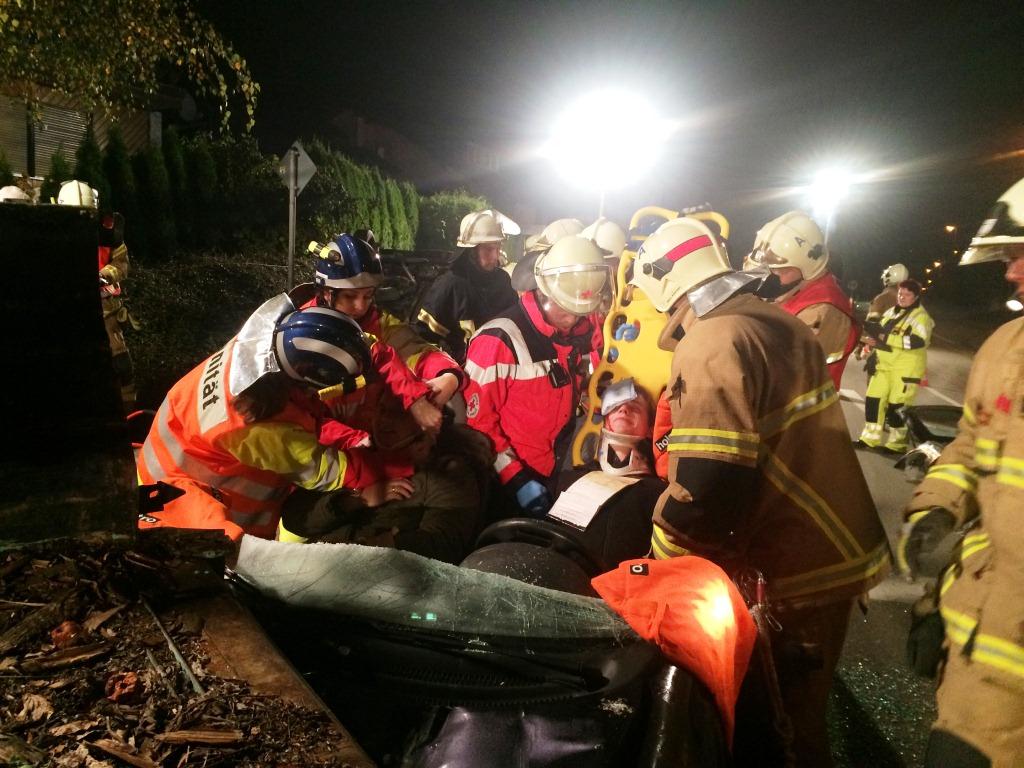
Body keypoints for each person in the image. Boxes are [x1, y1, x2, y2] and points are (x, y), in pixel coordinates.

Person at [629, 216, 889, 767]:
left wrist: (657, 563)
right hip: (831, 543)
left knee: (778, 734)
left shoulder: (713, 341)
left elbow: (706, 486)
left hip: (793, 566)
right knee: (801, 718)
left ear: (662, 280)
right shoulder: (774, 320)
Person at [899, 176, 1024, 767]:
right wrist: (935, 508)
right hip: (980, 662)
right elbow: (974, 444)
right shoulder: (1006, 347)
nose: (1011, 272)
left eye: (1022, 255)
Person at [136, 299, 381, 543]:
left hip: (159, 475)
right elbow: (329, 471)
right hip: (189, 511)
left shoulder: (254, 347)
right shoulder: (260, 426)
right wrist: (387, 468)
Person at [464, 235, 609, 518]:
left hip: (555, 469)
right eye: (566, 310)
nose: (573, 320)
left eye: (580, 313)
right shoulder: (498, 340)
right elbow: (478, 425)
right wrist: (515, 477)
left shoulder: (573, 333)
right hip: (505, 483)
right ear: (544, 292)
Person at [299, 232, 460, 446]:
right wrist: (358, 443)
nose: (360, 306)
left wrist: (448, 374)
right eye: (350, 296)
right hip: (328, 452)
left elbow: (415, 351)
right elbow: (299, 418)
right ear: (327, 293)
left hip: (375, 445)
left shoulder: (381, 326)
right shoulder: (298, 335)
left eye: (367, 295)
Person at [746, 210, 859, 389]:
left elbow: (779, 368)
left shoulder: (822, 310)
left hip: (798, 403)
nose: (773, 276)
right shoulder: (797, 291)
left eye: (782, 270)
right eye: (770, 269)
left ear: (808, 267)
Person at [57, 180, 138, 409]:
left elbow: (122, 264)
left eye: (87, 214)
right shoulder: (53, 232)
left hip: (106, 312)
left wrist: (103, 276)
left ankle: (128, 411)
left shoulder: (109, 230)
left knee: (121, 365)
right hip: (69, 311)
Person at [414, 210, 519, 363]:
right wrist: (447, 369)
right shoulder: (450, 285)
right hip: (464, 370)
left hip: (502, 366)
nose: (495, 256)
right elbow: (424, 338)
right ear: (471, 251)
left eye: (498, 248)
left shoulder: (502, 281)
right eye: (489, 249)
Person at [855, 278, 933, 452]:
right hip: (884, 367)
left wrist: (886, 338)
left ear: (916, 297)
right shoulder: (891, 312)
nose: (902, 297)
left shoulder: (921, 317)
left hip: (905, 371)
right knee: (873, 401)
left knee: (897, 407)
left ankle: (897, 445)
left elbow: (918, 341)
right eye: (900, 293)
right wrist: (870, 346)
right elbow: (879, 335)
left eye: (907, 294)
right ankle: (869, 439)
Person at [855, 262, 909, 362]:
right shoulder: (911, 301)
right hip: (904, 353)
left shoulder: (882, 299)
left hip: (882, 352)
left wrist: (860, 347)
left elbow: (870, 327)